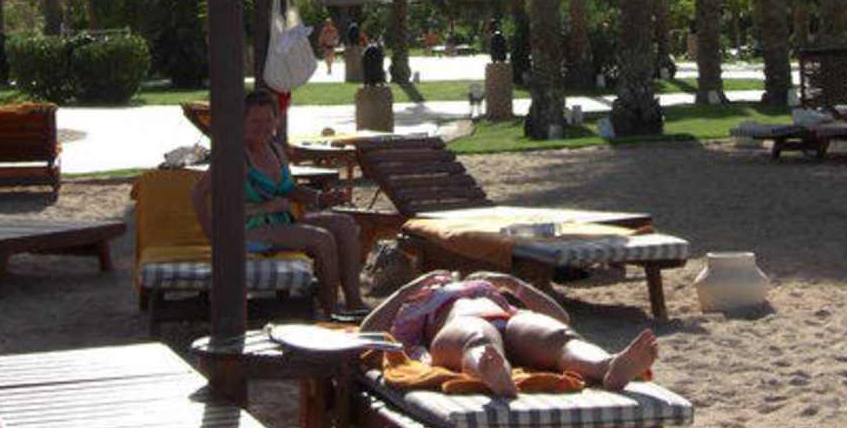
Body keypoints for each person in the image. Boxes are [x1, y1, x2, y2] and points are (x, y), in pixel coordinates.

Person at [362, 267, 657, 399]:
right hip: (459, 326)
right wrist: (405, 291)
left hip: (509, 321)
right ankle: (493, 373)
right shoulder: (416, 305)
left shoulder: (488, 290)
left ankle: (609, 366)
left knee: (561, 337)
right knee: (478, 338)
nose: (449, 278)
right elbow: (366, 332)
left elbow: (561, 317)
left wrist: (511, 284)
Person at [193, 88, 364, 314]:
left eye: (268, 120)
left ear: (277, 121)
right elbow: (198, 193)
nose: (263, 126)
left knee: (345, 225)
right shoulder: (233, 155)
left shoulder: (275, 150)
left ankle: (354, 304)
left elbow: (288, 189)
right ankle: (331, 312)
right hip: (246, 229)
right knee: (321, 239)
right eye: (255, 121)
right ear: (241, 122)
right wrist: (213, 235)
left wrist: (320, 198)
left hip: (279, 221)